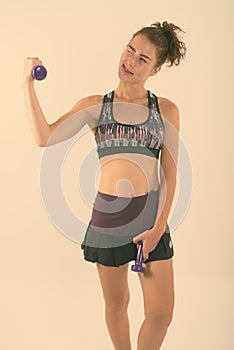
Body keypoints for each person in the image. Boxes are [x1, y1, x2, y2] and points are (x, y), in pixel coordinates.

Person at [23, 20, 186, 350]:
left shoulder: (165, 109)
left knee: (161, 314)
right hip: (109, 218)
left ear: (154, 70)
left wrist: (158, 227)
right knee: (116, 305)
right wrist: (27, 85)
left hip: (150, 215)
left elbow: (170, 171)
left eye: (143, 59)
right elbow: (44, 137)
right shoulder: (96, 106)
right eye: (130, 50)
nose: (131, 61)